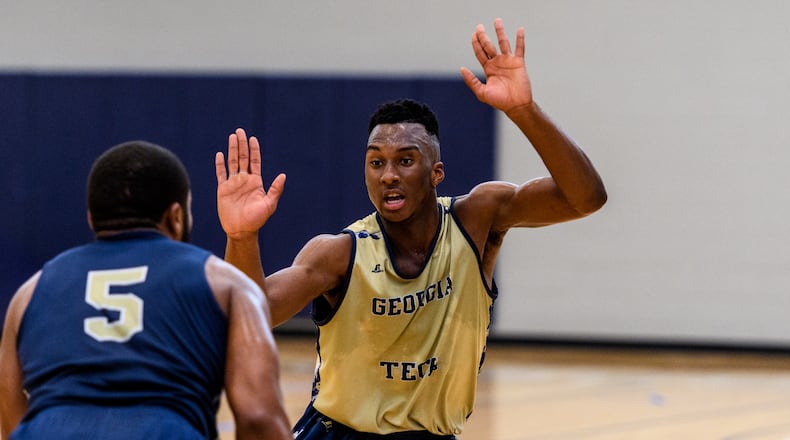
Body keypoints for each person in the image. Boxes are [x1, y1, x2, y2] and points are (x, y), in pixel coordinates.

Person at [214, 18, 607, 439]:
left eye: (405, 160)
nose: (388, 175)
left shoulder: (476, 218)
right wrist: (241, 237)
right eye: (376, 161)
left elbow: (585, 198)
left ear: (436, 172)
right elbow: (250, 314)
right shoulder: (339, 253)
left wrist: (523, 111)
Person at [0, 141, 292, 440]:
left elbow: (11, 419)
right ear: (176, 217)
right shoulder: (224, 282)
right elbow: (258, 419)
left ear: (92, 219)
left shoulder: (28, 294)